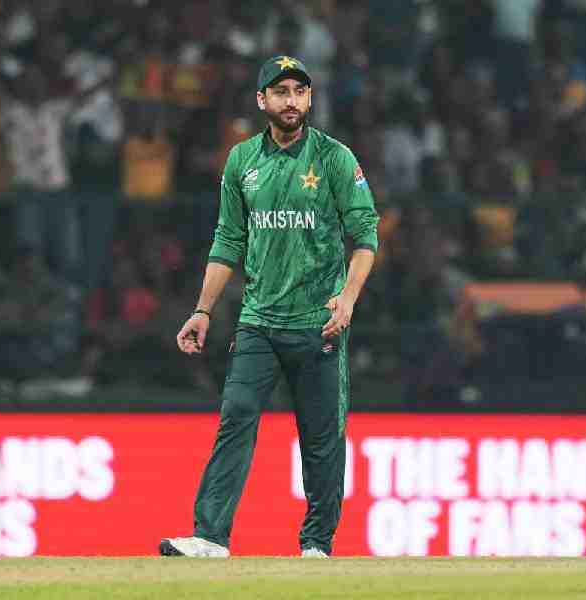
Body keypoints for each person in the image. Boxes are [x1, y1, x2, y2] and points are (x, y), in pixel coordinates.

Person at [159, 56, 379, 558]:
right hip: (258, 320)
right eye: (280, 92)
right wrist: (203, 310)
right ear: (261, 101)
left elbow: (366, 236)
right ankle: (210, 537)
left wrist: (347, 299)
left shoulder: (335, 159)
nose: (291, 101)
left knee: (321, 439)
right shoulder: (241, 162)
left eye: (299, 91)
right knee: (235, 417)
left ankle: (317, 545)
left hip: (318, 323)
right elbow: (227, 240)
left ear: (310, 99)